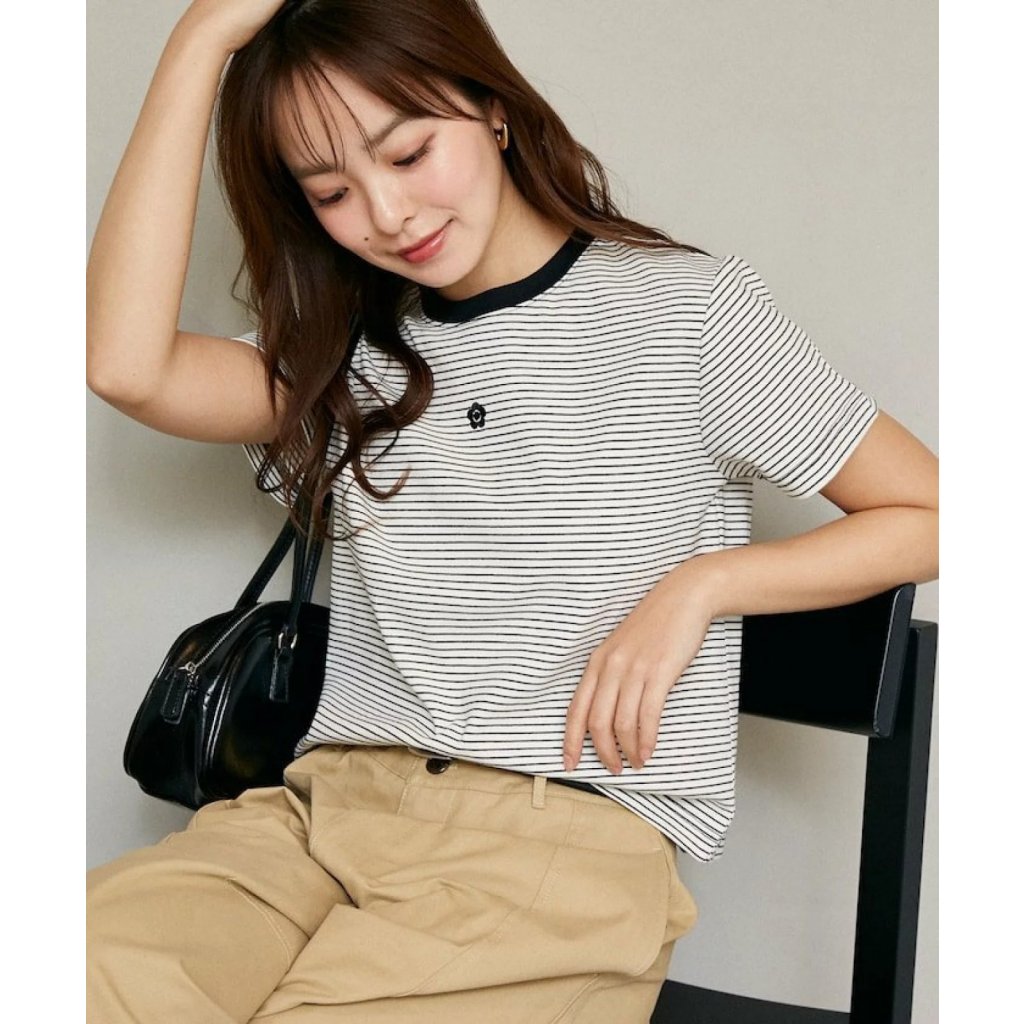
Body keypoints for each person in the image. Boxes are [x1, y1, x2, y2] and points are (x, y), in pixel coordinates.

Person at [86, 1, 940, 1021]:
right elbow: (126, 366)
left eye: (408, 152)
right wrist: (200, 40)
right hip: (314, 815)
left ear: (491, 106)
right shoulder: (340, 359)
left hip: (558, 847)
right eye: (332, 192)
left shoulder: (684, 314)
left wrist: (704, 585)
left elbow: (938, 511)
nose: (388, 213)